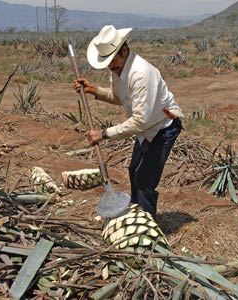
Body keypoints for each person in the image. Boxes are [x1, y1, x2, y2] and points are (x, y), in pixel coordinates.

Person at [73, 25, 183, 219]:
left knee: (144, 181)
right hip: (145, 128)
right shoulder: (118, 69)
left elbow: (140, 120)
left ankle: (147, 228)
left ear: (124, 50)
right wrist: (94, 90)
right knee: (134, 170)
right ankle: (136, 215)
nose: (109, 67)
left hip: (162, 127)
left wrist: (104, 133)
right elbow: (120, 98)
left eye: (111, 62)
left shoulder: (141, 74)